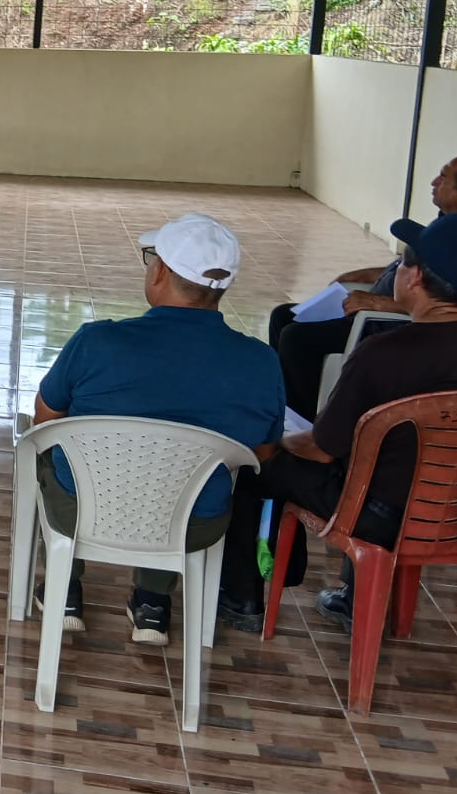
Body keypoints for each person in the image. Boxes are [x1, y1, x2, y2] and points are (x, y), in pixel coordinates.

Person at [217, 212, 457, 633]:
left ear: (414, 277)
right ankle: (353, 595)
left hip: (375, 514)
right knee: (387, 463)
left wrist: (279, 440)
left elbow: (321, 449)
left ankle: (242, 599)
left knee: (257, 466)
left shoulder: (384, 352)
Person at [31, 213, 284, 646]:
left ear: (161, 271)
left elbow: (45, 419)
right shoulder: (261, 362)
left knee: (45, 451)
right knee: (179, 484)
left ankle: (65, 586)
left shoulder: (96, 342)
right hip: (193, 524)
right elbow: (261, 453)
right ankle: (152, 602)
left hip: (84, 510)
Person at [271, 153, 457, 416]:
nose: (434, 182)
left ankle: (303, 418)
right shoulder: (450, 222)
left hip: (385, 322)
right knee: (284, 315)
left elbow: (453, 302)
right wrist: (369, 274)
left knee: (297, 338)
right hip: (375, 309)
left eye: (443, 176)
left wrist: (379, 303)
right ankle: (281, 404)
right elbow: (423, 272)